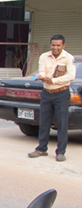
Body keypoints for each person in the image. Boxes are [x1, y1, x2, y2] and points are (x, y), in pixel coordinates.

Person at [27, 34, 75, 162]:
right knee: (44, 121)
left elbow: (71, 76)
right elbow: (43, 71)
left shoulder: (68, 58)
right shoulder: (44, 56)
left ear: (63, 45)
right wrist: (41, 76)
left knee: (62, 122)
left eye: (58, 45)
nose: (55, 47)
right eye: (53, 45)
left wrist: (52, 80)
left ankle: (60, 152)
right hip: (47, 93)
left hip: (61, 93)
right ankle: (41, 148)